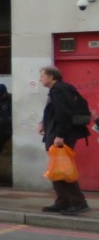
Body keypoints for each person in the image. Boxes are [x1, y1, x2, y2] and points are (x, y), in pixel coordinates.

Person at [38, 66, 91, 215]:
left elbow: (64, 114)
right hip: (56, 133)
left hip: (61, 136)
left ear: (51, 77)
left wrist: (59, 136)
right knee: (57, 169)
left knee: (63, 169)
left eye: (42, 76)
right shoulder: (59, 90)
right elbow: (55, 113)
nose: (40, 78)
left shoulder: (59, 91)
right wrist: (43, 123)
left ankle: (78, 202)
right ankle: (63, 201)